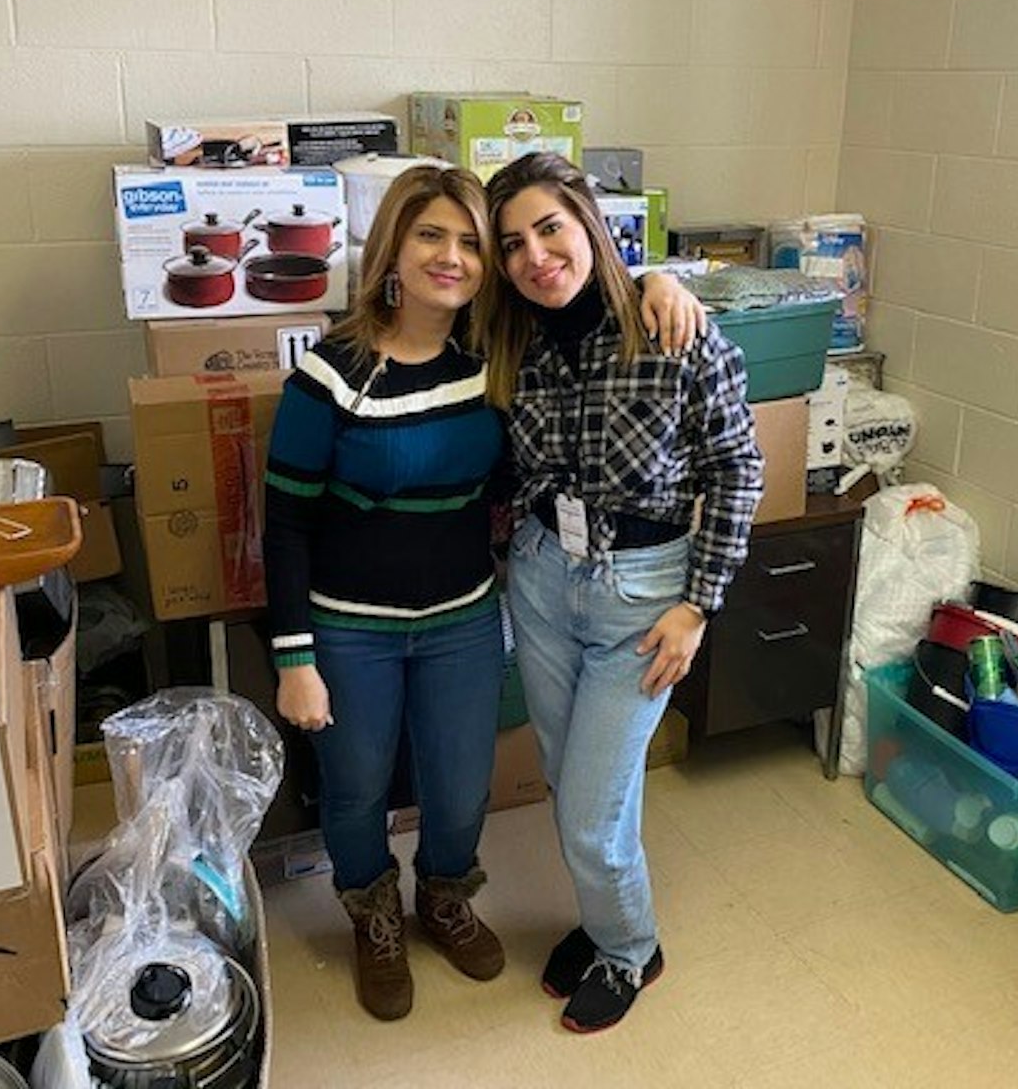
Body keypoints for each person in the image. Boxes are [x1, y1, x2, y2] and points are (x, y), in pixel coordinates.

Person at [262, 164, 704, 1022]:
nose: (454, 258)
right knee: (355, 787)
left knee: (461, 788)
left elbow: (584, 305)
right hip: (351, 628)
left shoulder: (499, 355)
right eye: (432, 235)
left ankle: (443, 899)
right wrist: (295, 657)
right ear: (392, 246)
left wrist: (658, 280)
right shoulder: (331, 373)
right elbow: (284, 525)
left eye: (472, 242)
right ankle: (375, 917)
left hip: (466, 617)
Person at [477, 153, 765, 1033]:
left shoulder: (671, 329)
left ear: (590, 225)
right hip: (540, 578)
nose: (536, 256)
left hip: (644, 598)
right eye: (514, 243)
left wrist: (699, 605)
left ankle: (630, 949)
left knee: (593, 818)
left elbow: (739, 467)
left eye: (551, 228)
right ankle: (608, 924)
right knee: (573, 786)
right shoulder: (507, 338)